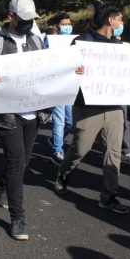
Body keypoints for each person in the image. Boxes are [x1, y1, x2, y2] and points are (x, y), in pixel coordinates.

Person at [0, 0, 83, 241]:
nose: (28, 23)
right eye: (24, 19)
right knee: (16, 163)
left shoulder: (37, 41)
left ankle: (1, 185)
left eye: (32, 19)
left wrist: (73, 71)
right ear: (11, 16)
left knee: (23, 162)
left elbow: (49, 72)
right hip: (6, 114)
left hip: (33, 112)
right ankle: (18, 217)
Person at [55, 2, 130, 214]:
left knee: (113, 153)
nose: (122, 23)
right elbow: (65, 71)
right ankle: (64, 173)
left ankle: (109, 196)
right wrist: (75, 70)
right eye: (120, 19)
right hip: (88, 107)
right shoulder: (81, 42)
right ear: (110, 21)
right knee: (80, 149)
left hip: (114, 108)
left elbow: (125, 74)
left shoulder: (121, 48)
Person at [48, 13, 75, 165]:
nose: (67, 27)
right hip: (56, 87)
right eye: (64, 24)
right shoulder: (50, 42)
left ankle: (54, 140)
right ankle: (58, 150)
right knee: (59, 122)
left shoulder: (75, 41)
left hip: (70, 87)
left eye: (69, 24)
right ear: (57, 27)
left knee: (69, 122)